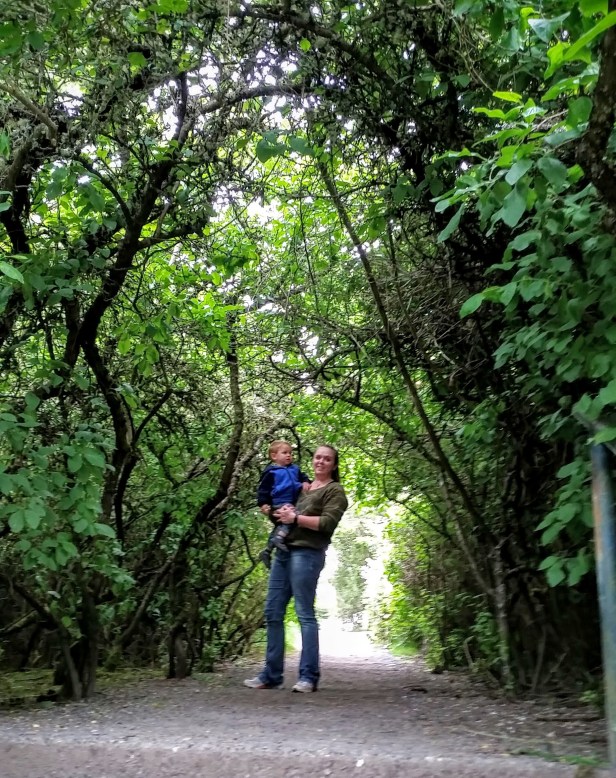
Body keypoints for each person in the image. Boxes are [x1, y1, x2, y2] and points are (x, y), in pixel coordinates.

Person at [244, 444, 348, 693]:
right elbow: (282, 512)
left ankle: (308, 677)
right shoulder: (302, 486)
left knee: (304, 613)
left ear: (334, 465)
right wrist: (273, 511)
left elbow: (327, 523)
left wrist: (296, 519)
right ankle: (271, 675)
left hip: (307, 553)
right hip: (283, 551)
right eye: (317, 457)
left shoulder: (335, 491)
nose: (320, 461)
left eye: (327, 459)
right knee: (272, 612)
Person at [256, 440, 311, 569]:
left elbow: (303, 477)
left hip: (292, 501)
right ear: (274, 456)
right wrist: (263, 504)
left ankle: (267, 551)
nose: (289, 455)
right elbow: (263, 490)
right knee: (292, 517)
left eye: (290, 453)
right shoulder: (271, 472)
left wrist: (305, 482)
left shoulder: (295, 468)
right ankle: (279, 539)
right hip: (279, 501)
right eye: (285, 453)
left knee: (281, 525)